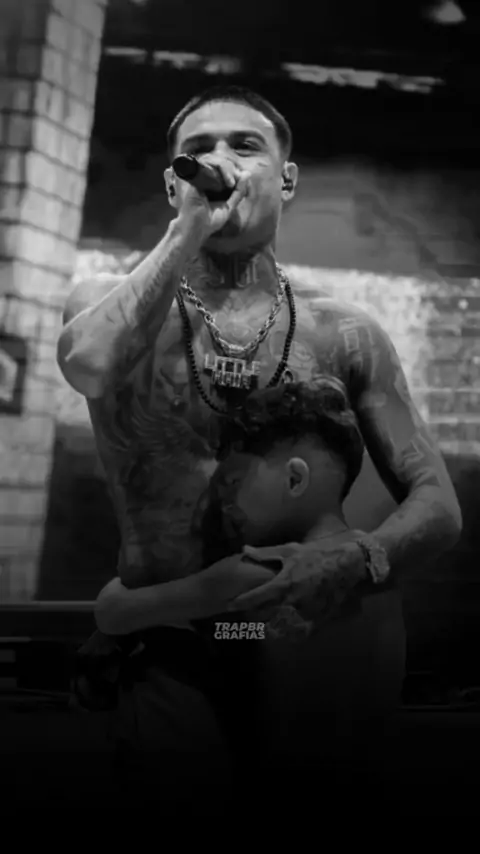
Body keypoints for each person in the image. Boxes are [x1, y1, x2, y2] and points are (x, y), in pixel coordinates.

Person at [58, 84, 462, 813]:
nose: (221, 160)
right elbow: (88, 365)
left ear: (286, 178)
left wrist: (356, 558)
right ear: (173, 184)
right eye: (199, 151)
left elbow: (438, 504)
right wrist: (187, 231)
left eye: (245, 145)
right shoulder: (106, 302)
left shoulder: (345, 331)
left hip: (311, 631)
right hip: (177, 635)